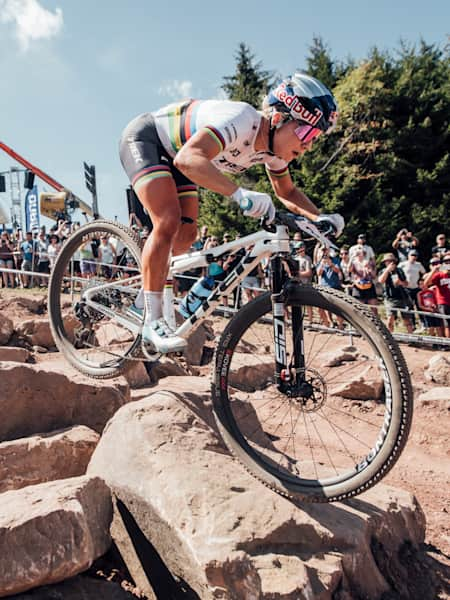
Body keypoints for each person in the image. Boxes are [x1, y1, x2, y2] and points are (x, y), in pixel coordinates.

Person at [119, 72, 343, 353]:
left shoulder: (272, 153)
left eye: (316, 137)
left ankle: (143, 294)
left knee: (184, 238)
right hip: (148, 139)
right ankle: (150, 320)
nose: (309, 144)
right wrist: (239, 194)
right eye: (306, 132)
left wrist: (319, 218)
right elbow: (189, 159)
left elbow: (286, 192)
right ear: (278, 118)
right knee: (167, 220)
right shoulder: (242, 120)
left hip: (180, 157)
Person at [378, 253, 413, 333]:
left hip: (402, 297)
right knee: (390, 319)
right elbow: (381, 281)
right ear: (385, 262)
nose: (390, 263)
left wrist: (401, 282)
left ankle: (411, 337)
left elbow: (406, 283)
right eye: (388, 261)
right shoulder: (383, 271)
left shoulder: (400, 270)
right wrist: (387, 270)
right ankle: (390, 338)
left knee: (407, 319)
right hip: (390, 298)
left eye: (392, 261)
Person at [423, 252, 450, 338]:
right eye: (446, 261)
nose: (448, 263)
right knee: (447, 324)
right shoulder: (439, 274)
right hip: (443, 302)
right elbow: (426, 283)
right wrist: (434, 270)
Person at [398, 249, 426, 330]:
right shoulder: (403, 264)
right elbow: (397, 273)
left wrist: (421, 283)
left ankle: (423, 323)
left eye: (415, 255)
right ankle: (413, 324)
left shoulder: (418, 264)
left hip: (416, 288)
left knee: (419, 306)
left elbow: (424, 273)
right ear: (408, 256)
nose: (414, 257)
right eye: (412, 255)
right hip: (407, 288)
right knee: (410, 306)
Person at [349, 247, 378, 314]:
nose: (358, 254)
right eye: (357, 252)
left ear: (363, 254)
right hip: (358, 286)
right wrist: (351, 258)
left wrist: (369, 270)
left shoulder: (368, 262)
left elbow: (374, 276)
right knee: (359, 308)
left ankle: (375, 323)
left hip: (369, 286)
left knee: (374, 308)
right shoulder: (353, 263)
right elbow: (349, 270)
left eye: (360, 252)